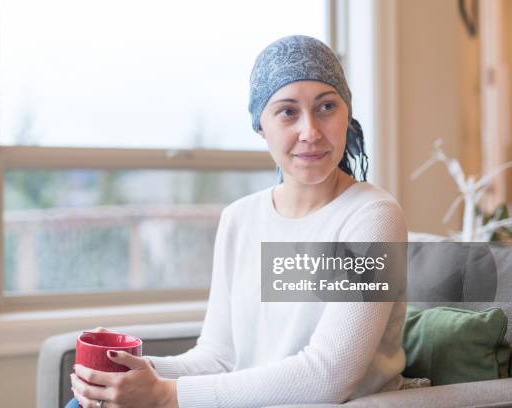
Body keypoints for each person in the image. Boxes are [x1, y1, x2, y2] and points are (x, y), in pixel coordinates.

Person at [66, 34, 408, 408]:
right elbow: (219, 358)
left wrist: (164, 395)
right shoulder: (240, 219)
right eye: (287, 112)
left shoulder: (374, 217)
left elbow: (329, 376)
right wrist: (131, 373)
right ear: (260, 126)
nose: (310, 131)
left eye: (326, 107)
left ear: (347, 114)